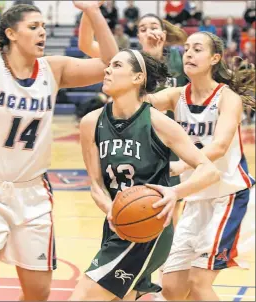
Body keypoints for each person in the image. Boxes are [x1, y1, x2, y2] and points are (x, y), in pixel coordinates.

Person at [0, 1, 118, 301]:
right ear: (11, 34)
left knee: (39, 292)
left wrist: (93, 11)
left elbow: (112, 64)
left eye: (43, 26)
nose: (42, 32)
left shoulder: (53, 69)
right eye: (33, 27)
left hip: (32, 193)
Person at [69, 48, 220, 301]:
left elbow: (209, 170)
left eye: (117, 65)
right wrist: (111, 210)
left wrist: (175, 192)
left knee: (82, 296)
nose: (107, 69)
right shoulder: (91, 122)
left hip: (150, 229)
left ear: (138, 78)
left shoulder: (158, 122)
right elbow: (96, 185)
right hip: (118, 227)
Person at [145, 31, 255, 301]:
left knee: (199, 281)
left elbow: (219, 146)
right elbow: (138, 103)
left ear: (215, 58)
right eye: (186, 49)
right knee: (171, 288)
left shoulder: (228, 99)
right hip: (196, 199)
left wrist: (180, 166)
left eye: (197, 49)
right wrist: (151, 57)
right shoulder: (176, 96)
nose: (189, 54)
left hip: (228, 197)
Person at [77, 10, 188, 225]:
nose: (149, 32)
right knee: (135, 208)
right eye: (143, 29)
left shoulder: (181, 59)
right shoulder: (128, 62)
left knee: (170, 212)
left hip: (170, 141)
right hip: (137, 142)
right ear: (137, 35)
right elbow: (85, 45)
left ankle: (164, 255)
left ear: (164, 33)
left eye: (154, 27)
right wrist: (89, 10)